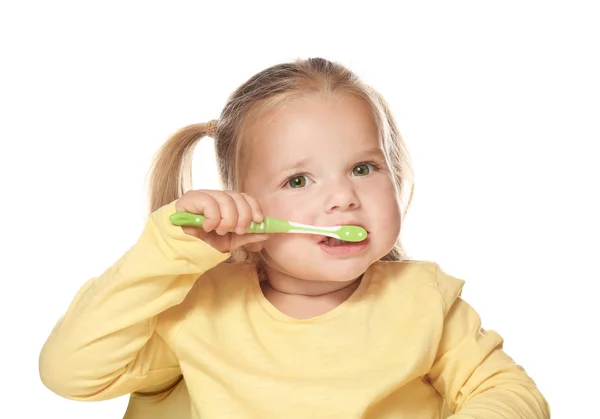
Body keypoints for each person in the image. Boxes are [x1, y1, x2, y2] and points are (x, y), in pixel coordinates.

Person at [39, 57, 550, 418]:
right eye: (299, 180)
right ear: (244, 209)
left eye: (364, 167)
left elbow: (509, 391)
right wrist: (168, 251)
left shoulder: (425, 303)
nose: (344, 198)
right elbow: (71, 373)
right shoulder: (199, 308)